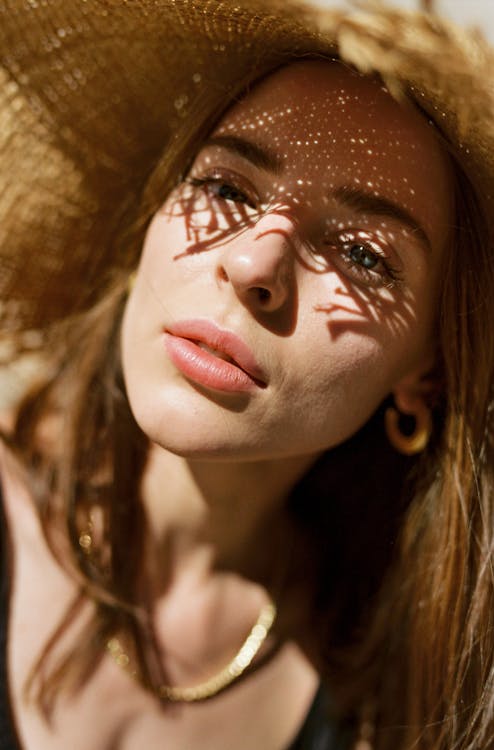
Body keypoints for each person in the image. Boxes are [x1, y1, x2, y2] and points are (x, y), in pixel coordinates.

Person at [0, 1, 493, 748]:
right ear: (150, 220)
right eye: (228, 187)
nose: (254, 264)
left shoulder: (397, 706)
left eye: (363, 254)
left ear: (428, 372)